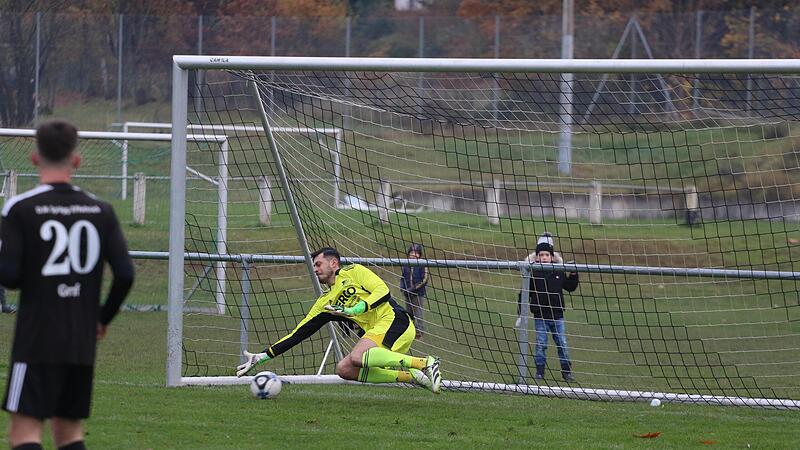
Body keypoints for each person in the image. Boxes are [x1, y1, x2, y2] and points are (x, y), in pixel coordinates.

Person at [0, 120, 135, 450]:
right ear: (76, 160)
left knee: (24, 432)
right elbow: (126, 274)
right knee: (68, 431)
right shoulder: (100, 211)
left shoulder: (21, 209)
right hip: (80, 339)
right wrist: (102, 318)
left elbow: (10, 278)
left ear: (34, 158)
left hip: (36, 338)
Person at [236, 247, 442, 393]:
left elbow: (383, 292)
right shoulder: (325, 303)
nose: (315, 269)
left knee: (358, 356)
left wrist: (355, 308)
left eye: (318, 264)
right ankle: (412, 376)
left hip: (397, 321)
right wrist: (263, 356)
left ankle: (424, 363)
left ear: (333, 263)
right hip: (379, 335)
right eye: (313, 265)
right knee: (345, 369)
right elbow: (298, 333)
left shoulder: (355, 271)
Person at [518, 233, 579, 382]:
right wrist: (520, 313)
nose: (544, 257)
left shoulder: (558, 271)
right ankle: (540, 371)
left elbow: (570, 287)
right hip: (540, 316)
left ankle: (566, 372)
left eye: (547, 255)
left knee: (562, 344)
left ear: (552, 257)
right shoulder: (533, 274)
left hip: (557, 316)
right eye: (541, 255)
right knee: (541, 344)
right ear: (536, 257)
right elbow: (524, 293)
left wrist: (574, 274)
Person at [399, 243, 429, 339]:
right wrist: (403, 288)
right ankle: (410, 331)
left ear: (419, 254)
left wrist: (412, 289)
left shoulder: (422, 265)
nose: (413, 255)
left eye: (416, 253)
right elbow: (403, 277)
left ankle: (419, 332)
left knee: (418, 313)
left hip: (417, 294)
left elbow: (424, 280)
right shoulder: (406, 265)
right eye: (412, 252)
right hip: (408, 294)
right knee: (409, 313)